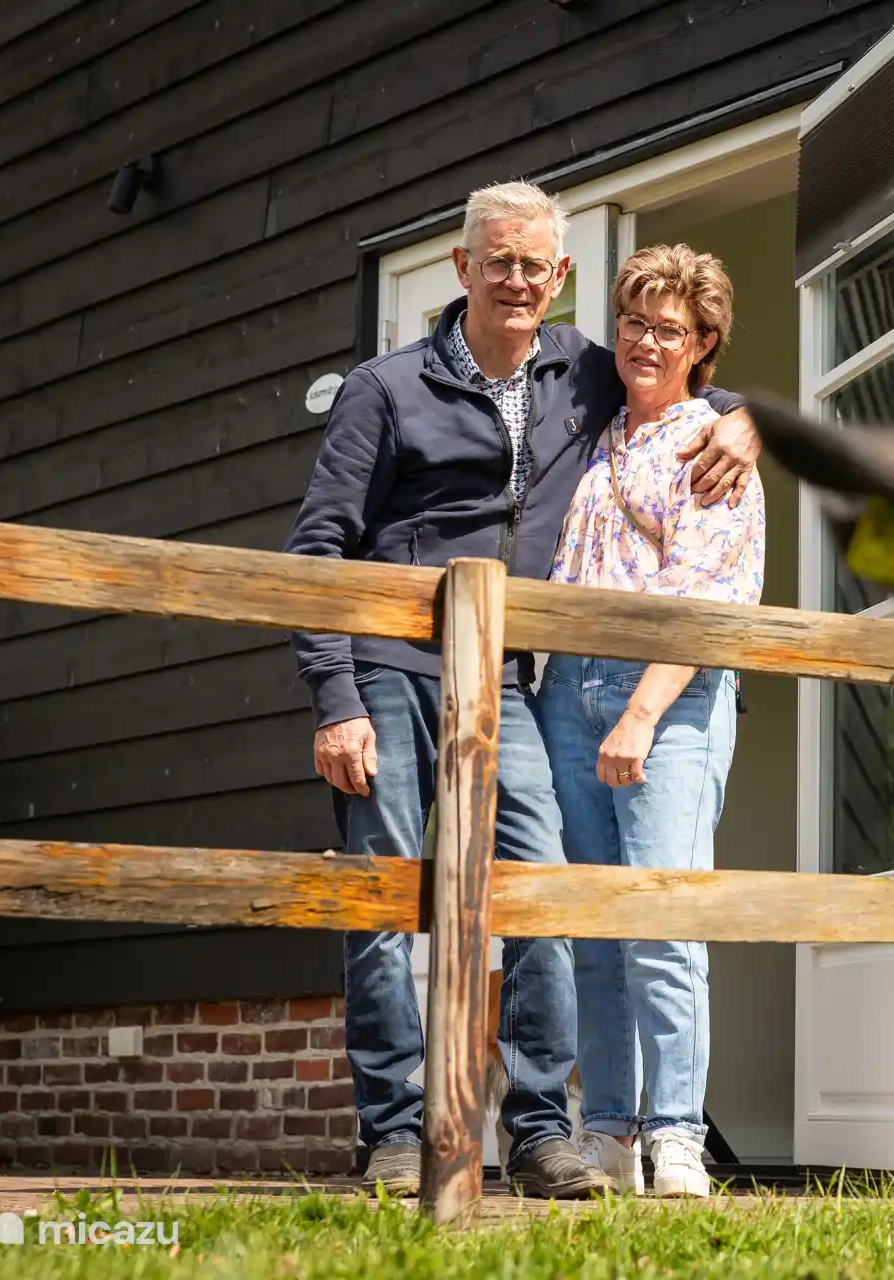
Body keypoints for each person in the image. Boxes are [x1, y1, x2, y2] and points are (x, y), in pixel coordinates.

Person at [282, 181, 760, 1200]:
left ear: (559, 276)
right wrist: (335, 695)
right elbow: (318, 546)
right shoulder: (388, 386)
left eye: (533, 264)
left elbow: (676, 374)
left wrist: (743, 418)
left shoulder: (574, 366)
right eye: (495, 260)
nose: (514, 279)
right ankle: (397, 1133)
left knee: (545, 891)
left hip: (508, 678)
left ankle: (544, 1131)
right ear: (462, 268)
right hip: (392, 670)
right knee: (386, 899)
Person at [536, 244, 764, 1198]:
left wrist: (637, 714)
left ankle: (676, 1135)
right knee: (594, 928)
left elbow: (706, 602)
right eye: (634, 321)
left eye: (670, 329)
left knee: (663, 926)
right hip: (566, 692)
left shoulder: (711, 448)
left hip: (665, 699)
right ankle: (609, 1133)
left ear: (702, 345)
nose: (645, 341)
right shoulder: (594, 432)